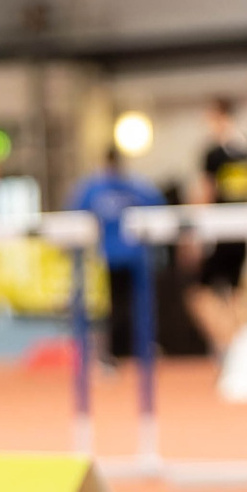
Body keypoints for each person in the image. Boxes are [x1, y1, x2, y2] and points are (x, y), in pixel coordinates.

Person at [72, 149, 163, 365]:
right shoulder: (94, 188)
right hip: (108, 259)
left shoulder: (134, 186)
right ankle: (112, 353)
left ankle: (140, 348)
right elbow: (75, 215)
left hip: (133, 258)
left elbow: (159, 210)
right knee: (111, 308)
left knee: (137, 305)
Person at [188, 97, 247, 349]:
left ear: (218, 116)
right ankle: (243, 348)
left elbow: (205, 192)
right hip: (244, 230)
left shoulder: (213, 153)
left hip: (219, 231)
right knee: (237, 292)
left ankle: (228, 343)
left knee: (199, 293)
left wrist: (193, 233)